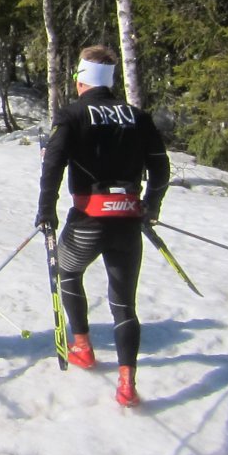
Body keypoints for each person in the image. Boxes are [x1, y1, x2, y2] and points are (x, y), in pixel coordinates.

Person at [35, 45, 171, 407]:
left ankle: (83, 346)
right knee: (125, 305)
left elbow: (53, 166)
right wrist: (151, 206)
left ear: (81, 80)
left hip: (89, 219)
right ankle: (127, 384)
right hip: (127, 221)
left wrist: (46, 211)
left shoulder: (72, 114)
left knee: (67, 272)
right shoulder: (137, 116)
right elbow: (161, 168)